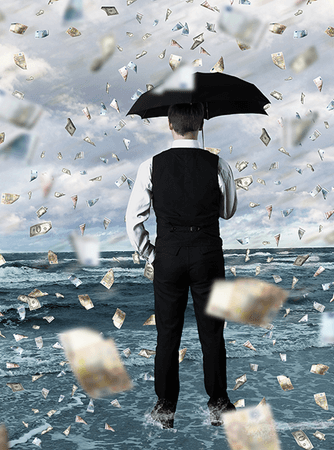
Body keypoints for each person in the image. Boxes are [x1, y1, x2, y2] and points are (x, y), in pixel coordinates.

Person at [125, 102, 238, 429]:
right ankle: (218, 405)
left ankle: (165, 408)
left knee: (167, 334)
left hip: (169, 256)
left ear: (170, 127)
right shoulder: (219, 165)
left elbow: (133, 219)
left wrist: (151, 254)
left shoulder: (151, 165)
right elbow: (227, 211)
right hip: (206, 253)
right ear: (201, 124)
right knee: (213, 334)